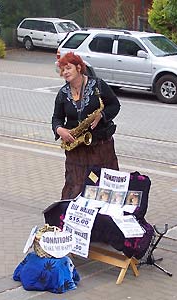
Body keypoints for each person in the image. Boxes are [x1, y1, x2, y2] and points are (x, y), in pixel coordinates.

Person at [52, 52, 121, 200]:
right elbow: (56, 117)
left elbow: (114, 105)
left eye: (68, 68)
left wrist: (101, 115)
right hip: (76, 149)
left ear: (78, 67)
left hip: (100, 146)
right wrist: (60, 129)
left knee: (102, 181)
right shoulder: (63, 93)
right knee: (76, 181)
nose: (65, 72)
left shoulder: (98, 85)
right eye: (62, 70)